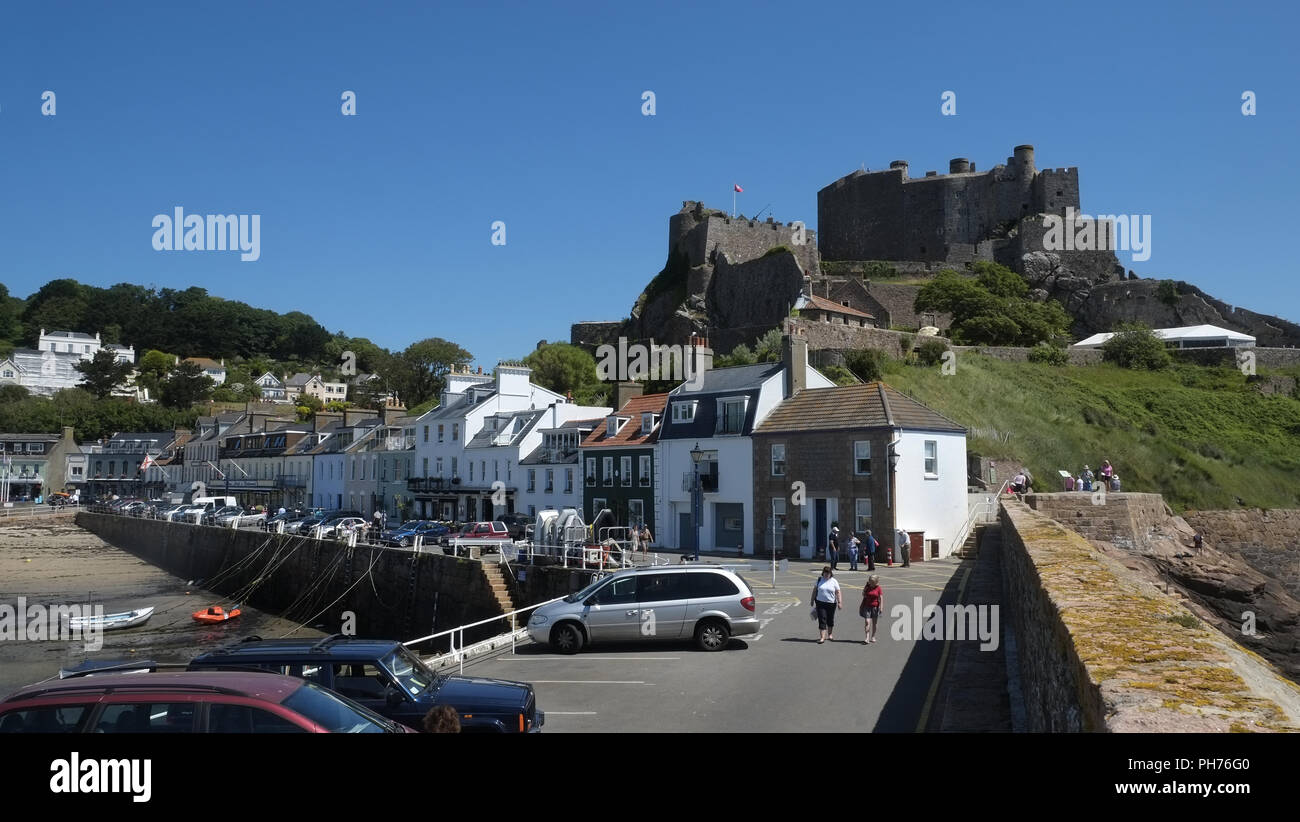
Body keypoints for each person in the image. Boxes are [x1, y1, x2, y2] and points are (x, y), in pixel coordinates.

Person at [811, 566, 842, 644]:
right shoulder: (819, 580)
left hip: (831, 603)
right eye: (825, 572)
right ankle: (822, 637)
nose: (826, 574)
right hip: (820, 603)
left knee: (830, 619)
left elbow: (838, 592)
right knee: (822, 619)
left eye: (828, 573)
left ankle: (830, 634)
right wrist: (812, 600)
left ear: (831, 573)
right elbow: (815, 591)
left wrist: (840, 602)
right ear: (823, 572)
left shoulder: (834, 581)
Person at [860, 575, 883, 644]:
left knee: (874, 623)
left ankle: (873, 636)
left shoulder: (878, 588)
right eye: (870, 581)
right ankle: (867, 637)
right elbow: (863, 594)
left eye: (872, 582)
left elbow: (881, 597)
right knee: (867, 622)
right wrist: (864, 591)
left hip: (875, 607)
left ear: (876, 582)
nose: (870, 583)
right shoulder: (867, 586)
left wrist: (881, 607)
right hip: (867, 606)